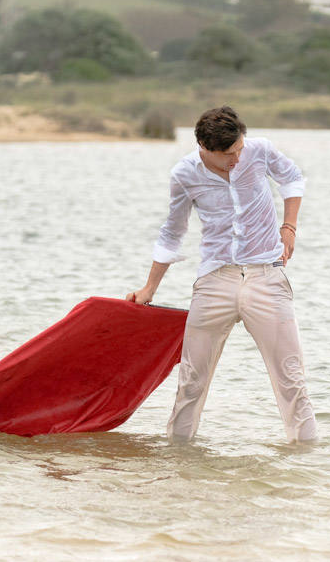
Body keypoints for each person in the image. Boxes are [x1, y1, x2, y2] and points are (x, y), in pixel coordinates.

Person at [127, 106, 318, 443]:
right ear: (203, 146)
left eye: (239, 149)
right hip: (215, 280)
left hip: (266, 277)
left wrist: (289, 226)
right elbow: (172, 233)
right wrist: (149, 288)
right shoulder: (184, 174)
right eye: (228, 154)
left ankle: (306, 461)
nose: (236, 158)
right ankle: (179, 458)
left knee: (292, 379)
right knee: (191, 380)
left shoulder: (258, 150)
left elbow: (292, 178)